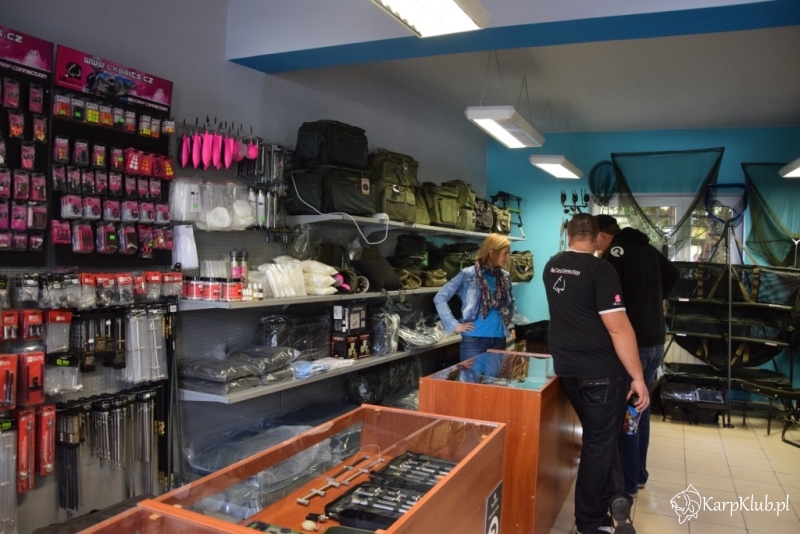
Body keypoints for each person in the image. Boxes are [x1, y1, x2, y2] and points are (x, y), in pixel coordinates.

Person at [543, 213, 649, 534]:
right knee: (598, 445)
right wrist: (638, 377)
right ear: (597, 237)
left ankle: (614, 498)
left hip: (568, 369)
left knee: (601, 436)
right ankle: (588, 523)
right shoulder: (601, 269)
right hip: (601, 373)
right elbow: (618, 328)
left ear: (569, 233)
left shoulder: (552, 266)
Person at [595, 214, 679, 497]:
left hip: (634, 344)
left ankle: (628, 483)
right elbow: (674, 274)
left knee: (628, 415)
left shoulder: (615, 252)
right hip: (655, 340)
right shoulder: (648, 249)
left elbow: (604, 293)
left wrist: (631, 307)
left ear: (602, 235)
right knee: (640, 410)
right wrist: (653, 299)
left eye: (596, 239)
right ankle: (639, 474)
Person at [434, 233, 514, 362]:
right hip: (474, 341)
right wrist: (454, 325)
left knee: (495, 376)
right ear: (492, 252)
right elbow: (440, 297)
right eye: (505, 253)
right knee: (470, 376)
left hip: (499, 339)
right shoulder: (468, 274)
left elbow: (511, 302)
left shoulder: (505, 276)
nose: (508, 258)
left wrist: (507, 319)